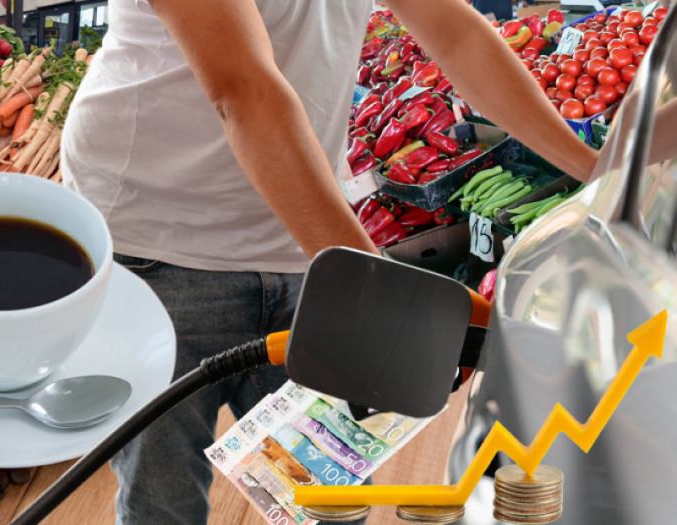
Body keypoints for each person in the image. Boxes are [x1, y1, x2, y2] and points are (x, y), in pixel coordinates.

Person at [60, 0, 597, 523]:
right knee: (163, 496)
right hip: (159, 245)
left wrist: (596, 170)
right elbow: (244, 88)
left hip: (306, 243)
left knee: (328, 496)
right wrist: (380, 294)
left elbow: (455, 33)